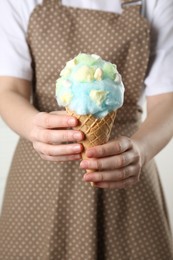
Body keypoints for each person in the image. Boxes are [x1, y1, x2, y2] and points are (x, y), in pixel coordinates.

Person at [0, 0, 173, 259]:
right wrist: (34, 127)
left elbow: (167, 98)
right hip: (39, 176)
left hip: (126, 166)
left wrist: (143, 149)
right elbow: (9, 89)